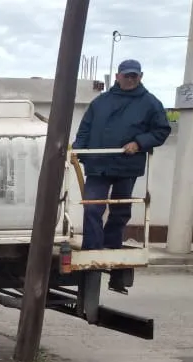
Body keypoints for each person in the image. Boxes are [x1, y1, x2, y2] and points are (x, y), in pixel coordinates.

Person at [72, 59, 172, 293]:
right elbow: (85, 128)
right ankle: (93, 253)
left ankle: (111, 247)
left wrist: (139, 143)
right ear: (117, 76)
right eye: (126, 75)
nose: (130, 79)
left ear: (141, 76)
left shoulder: (150, 103)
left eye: (134, 76)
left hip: (126, 166)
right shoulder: (101, 102)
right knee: (93, 207)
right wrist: (79, 150)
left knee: (120, 210)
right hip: (98, 165)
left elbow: (161, 130)